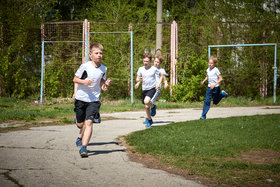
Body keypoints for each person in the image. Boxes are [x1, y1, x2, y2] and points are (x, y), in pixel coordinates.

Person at [73, 43, 112, 157]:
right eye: (96, 53)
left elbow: (101, 81)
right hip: (81, 98)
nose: (99, 55)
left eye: (101, 53)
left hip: (94, 99)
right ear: (90, 55)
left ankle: (84, 148)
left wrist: (105, 84)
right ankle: (78, 120)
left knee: (89, 122)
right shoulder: (85, 66)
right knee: (81, 124)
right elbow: (75, 79)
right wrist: (85, 82)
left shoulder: (103, 68)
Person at [135, 53, 162, 127]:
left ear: (150, 61)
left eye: (147, 61)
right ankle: (150, 119)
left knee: (146, 101)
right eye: (144, 61)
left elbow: (161, 75)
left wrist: (158, 83)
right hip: (144, 89)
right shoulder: (141, 69)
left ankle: (152, 108)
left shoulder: (154, 69)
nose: (145, 63)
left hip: (152, 88)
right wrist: (137, 82)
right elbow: (137, 78)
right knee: (147, 106)